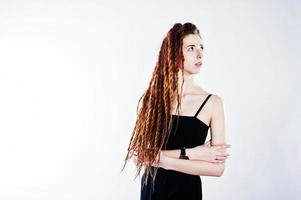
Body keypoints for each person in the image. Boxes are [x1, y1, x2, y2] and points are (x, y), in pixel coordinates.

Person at [122, 22, 231, 200]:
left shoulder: (212, 103)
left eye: (201, 47)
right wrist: (192, 153)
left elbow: (218, 168)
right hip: (153, 190)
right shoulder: (153, 99)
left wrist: (164, 160)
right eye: (191, 48)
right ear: (173, 53)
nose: (200, 54)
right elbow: (140, 157)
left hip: (186, 192)